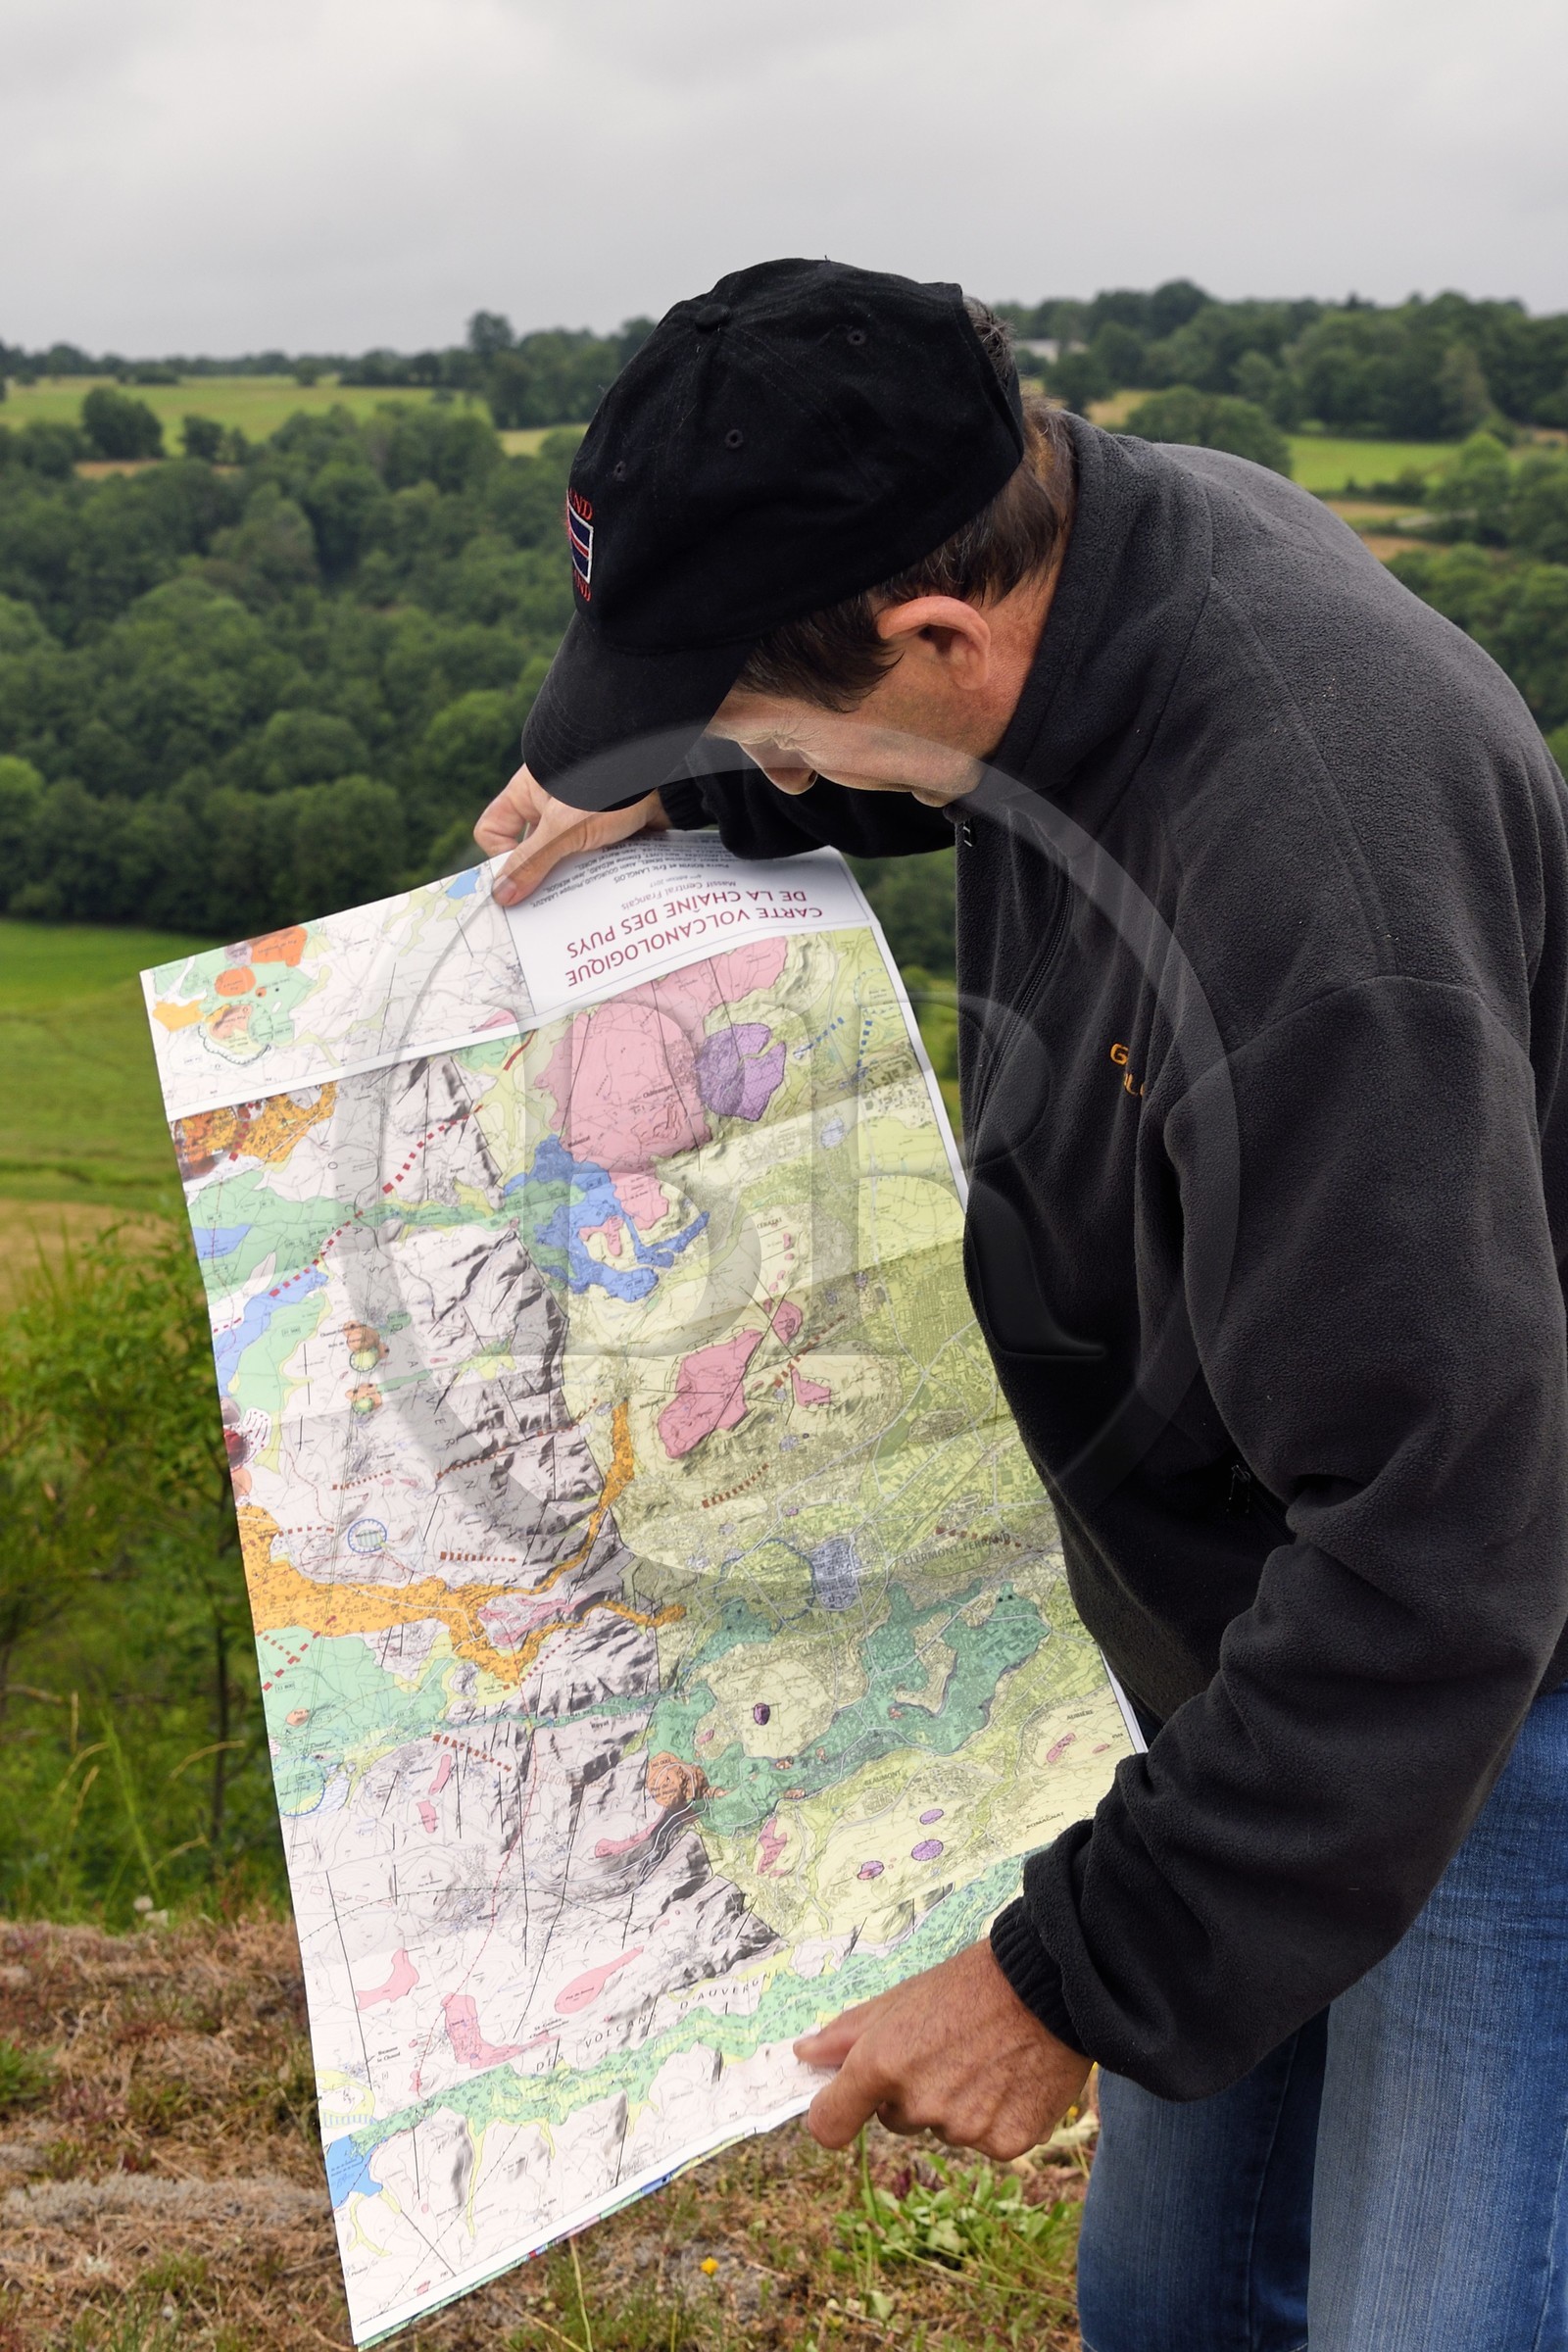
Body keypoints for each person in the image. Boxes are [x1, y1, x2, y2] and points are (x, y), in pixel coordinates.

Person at [474, 259, 1568, 2352]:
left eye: (748, 714)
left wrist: (1056, 1982)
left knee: (1433, 2317)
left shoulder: (1314, 868)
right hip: (1254, 1627)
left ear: (935, 634)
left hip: (1483, 1680)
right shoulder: (1101, 551)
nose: (748, 753)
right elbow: (983, 756)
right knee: (1165, 2302)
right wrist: (709, 784)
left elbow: (1445, 1543)